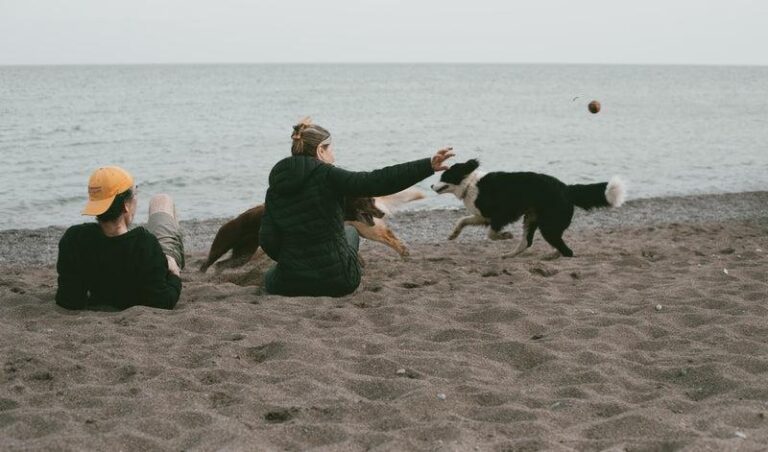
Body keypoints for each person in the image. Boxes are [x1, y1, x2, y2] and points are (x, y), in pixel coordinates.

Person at [259, 118, 454, 297]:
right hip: (339, 282)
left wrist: (292, 259)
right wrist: (427, 166)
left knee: (269, 277)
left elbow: (267, 240)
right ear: (320, 150)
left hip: (290, 284)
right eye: (330, 149)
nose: (333, 156)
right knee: (350, 231)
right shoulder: (328, 175)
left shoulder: (275, 188)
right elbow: (377, 181)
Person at [55, 166, 184, 310]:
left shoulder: (74, 239)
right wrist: (175, 275)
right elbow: (163, 301)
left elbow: (67, 299)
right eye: (135, 193)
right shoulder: (144, 244)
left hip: (122, 257)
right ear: (125, 205)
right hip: (158, 256)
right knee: (162, 200)